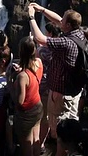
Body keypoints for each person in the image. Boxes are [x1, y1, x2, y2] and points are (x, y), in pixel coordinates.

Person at [27, 2, 86, 156]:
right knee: (71, 127)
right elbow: (58, 20)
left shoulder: (66, 43)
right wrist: (42, 9)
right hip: (73, 91)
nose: (60, 22)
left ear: (68, 25)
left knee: (61, 132)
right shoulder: (78, 34)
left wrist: (32, 16)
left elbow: (40, 39)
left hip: (61, 95)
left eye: (63, 21)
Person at [11, 36, 44, 156]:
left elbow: (19, 101)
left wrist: (10, 81)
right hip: (38, 106)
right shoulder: (39, 63)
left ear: (20, 52)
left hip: (26, 112)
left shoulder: (22, 76)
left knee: (26, 145)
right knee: (36, 139)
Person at [36, 22, 59, 150]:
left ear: (49, 33)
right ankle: (51, 138)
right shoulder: (61, 47)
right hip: (56, 86)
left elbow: (36, 64)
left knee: (43, 115)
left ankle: (40, 143)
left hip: (43, 86)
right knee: (52, 114)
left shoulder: (41, 50)